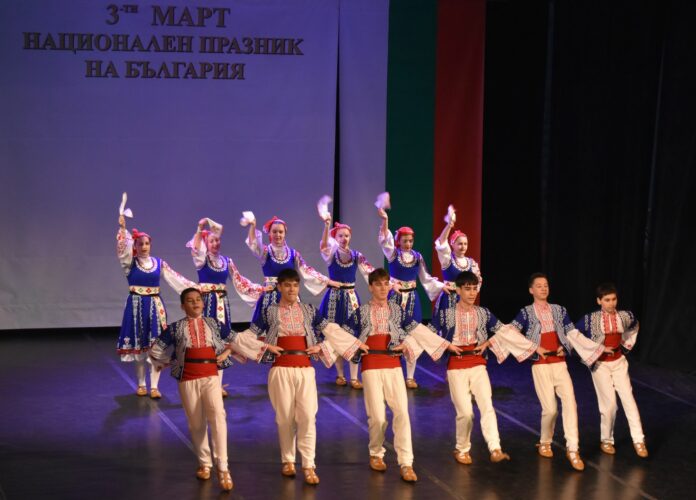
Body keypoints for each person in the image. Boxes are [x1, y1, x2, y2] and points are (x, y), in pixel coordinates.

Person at [231, 268, 368, 486]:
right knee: (284, 418)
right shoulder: (269, 312)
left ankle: (308, 464)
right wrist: (264, 347)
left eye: (295, 285)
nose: (292, 289)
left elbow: (332, 330)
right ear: (279, 287)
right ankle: (288, 460)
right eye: (287, 285)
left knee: (307, 417)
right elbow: (246, 336)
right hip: (281, 369)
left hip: (305, 368)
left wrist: (323, 346)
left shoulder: (309, 310)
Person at [343, 268, 461, 483]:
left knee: (402, 414)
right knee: (378, 418)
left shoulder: (397, 310)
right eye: (378, 284)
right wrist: (353, 344)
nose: (382, 288)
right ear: (370, 287)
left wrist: (442, 344)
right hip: (371, 366)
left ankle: (406, 462)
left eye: (385, 284)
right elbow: (344, 335)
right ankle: (376, 452)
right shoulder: (361, 312)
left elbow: (417, 330)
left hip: (393, 365)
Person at [148, 288, 257, 491]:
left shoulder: (214, 323)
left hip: (210, 376)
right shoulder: (175, 328)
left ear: (203, 303)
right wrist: (170, 361)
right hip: (188, 378)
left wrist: (229, 352)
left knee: (218, 417)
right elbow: (155, 349)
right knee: (196, 422)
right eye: (190, 300)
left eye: (198, 299)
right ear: (183, 306)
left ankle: (223, 467)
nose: (195, 303)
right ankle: (205, 463)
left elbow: (236, 339)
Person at [486, 273, 589, 471]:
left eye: (546, 285)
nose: (543, 289)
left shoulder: (559, 310)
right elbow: (510, 331)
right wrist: (532, 348)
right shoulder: (526, 312)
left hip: (559, 363)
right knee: (550, 409)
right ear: (531, 290)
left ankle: (573, 449)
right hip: (540, 364)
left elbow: (571, 332)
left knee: (571, 404)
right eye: (539, 286)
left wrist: (565, 346)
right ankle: (545, 442)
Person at [431, 271, 523, 465]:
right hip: (456, 365)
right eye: (467, 289)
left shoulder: (483, 313)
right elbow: (427, 333)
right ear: (458, 290)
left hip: (477, 363)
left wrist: (488, 343)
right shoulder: (446, 314)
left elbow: (504, 330)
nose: (472, 293)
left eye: (474, 289)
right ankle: (461, 448)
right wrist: (446, 345)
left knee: (487, 406)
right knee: (466, 413)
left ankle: (495, 448)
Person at [116, 214, 196, 399]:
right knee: (140, 349)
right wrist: (123, 229)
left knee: (155, 348)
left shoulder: (159, 264)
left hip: (154, 307)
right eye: (140, 244)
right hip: (136, 308)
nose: (144, 247)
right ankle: (141, 384)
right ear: (135, 246)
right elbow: (122, 251)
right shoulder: (130, 263)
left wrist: (195, 289)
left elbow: (176, 279)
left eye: (147, 243)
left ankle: (154, 387)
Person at [188, 218, 263, 397]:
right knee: (205, 343)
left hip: (221, 305)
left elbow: (240, 281)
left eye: (217, 240)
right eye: (212, 241)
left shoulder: (226, 261)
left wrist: (260, 289)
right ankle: (203, 383)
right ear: (206, 243)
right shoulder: (202, 260)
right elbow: (196, 248)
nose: (215, 243)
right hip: (206, 305)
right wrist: (200, 228)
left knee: (221, 345)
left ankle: (217, 385)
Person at [570, 282, 647, 458]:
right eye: (607, 300)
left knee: (629, 400)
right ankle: (606, 439)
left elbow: (635, 325)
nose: (611, 303)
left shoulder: (625, 316)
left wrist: (625, 344)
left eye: (613, 299)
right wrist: (597, 349)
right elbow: (573, 334)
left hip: (619, 363)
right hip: (601, 365)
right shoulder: (590, 319)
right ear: (599, 301)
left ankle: (639, 440)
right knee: (610, 405)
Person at [377, 207, 446, 389]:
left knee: (412, 335)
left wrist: (442, 286)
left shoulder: (417, 257)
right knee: (392, 333)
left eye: (410, 240)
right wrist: (385, 221)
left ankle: (410, 376)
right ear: (398, 241)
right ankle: (390, 373)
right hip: (395, 298)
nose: (408, 244)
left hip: (413, 300)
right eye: (404, 240)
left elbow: (425, 278)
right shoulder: (393, 254)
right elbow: (384, 240)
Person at [243, 214, 338, 324]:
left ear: (285, 233)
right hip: (270, 296)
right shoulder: (265, 252)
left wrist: (327, 281)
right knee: (270, 328)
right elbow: (254, 244)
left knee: (293, 326)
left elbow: (306, 270)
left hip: (290, 295)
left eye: (280, 232)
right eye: (274, 232)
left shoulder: (293, 254)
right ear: (269, 233)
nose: (277, 235)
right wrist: (253, 226)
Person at [318, 217, 376, 389]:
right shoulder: (331, 254)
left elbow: (370, 272)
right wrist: (326, 226)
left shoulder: (357, 256)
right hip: (334, 298)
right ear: (335, 238)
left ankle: (354, 377)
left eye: (347, 236)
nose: (344, 238)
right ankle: (340, 375)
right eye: (340, 236)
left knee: (353, 336)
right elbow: (323, 246)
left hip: (351, 298)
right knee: (336, 335)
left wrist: (388, 284)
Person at [432, 208, 482, 333]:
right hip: (448, 300)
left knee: (463, 330)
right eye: (460, 243)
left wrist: (471, 294)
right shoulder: (447, 259)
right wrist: (449, 225)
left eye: (465, 244)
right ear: (452, 244)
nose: (463, 246)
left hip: (464, 300)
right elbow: (441, 242)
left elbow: (478, 281)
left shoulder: (471, 263)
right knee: (447, 330)